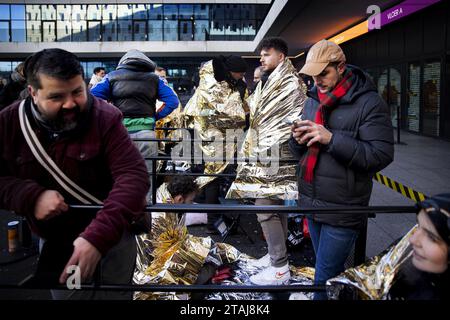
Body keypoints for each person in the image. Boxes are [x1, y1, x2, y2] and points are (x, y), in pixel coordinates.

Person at [0, 48, 149, 299]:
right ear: (33, 93)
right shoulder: (8, 124)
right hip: (59, 243)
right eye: (57, 97)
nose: (70, 104)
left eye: (78, 92)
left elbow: (133, 176)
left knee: (115, 297)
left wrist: (96, 239)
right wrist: (30, 196)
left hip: (113, 235)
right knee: (72, 297)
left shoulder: (106, 117)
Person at [289, 39, 394, 299]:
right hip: (312, 201)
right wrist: (296, 139)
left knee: (323, 278)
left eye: (323, 73)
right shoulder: (313, 99)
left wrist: (331, 139)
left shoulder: (369, 102)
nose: (317, 82)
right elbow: (297, 153)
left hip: (344, 206)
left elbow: (380, 154)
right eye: (313, 76)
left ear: (342, 67)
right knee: (327, 274)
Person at [227, 37, 306, 286]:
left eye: (267, 54)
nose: (261, 58)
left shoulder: (290, 83)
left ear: (281, 56)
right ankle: (276, 259)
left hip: (277, 155)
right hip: (266, 153)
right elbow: (256, 112)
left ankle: (280, 267)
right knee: (275, 207)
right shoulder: (270, 80)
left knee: (265, 208)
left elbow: (290, 118)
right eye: (261, 54)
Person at [91, 49, 179, 204]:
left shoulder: (111, 77)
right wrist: (154, 117)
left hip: (120, 136)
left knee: (118, 178)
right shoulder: (155, 79)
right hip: (147, 136)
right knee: (147, 180)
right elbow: (173, 101)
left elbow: (92, 98)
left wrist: (110, 114)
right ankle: (143, 223)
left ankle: (120, 220)